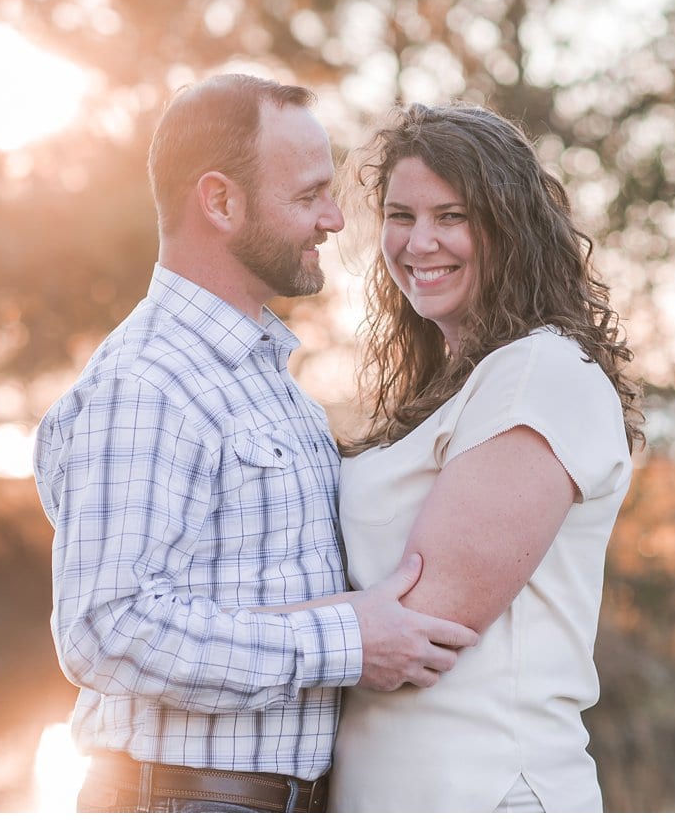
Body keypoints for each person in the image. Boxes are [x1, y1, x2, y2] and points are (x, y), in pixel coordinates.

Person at [34, 74, 479, 814]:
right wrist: (347, 643)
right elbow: (104, 627)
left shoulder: (270, 383)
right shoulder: (148, 382)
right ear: (220, 201)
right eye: (308, 196)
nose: (334, 219)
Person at [326, 103, 645, 812]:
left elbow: (424, 626)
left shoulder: (540, 373)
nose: (419, 241)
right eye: (401, 215)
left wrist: (216, 626)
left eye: (453, 215)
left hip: (489, 791)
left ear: (512, 227)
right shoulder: (453, 385)